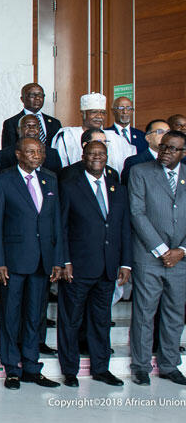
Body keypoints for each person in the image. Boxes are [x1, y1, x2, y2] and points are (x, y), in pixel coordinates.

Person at [57, 140, 131, 388]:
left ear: (107, 157)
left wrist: (126, 263)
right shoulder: (70, 186)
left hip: (108, 267)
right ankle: (70, 370)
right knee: (71, 320)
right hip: (77, 266)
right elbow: (61, 227)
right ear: (83, 156)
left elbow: (123, 228)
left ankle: (101, 368)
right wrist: (65, 260)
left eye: (101, 154)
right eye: (91, 154)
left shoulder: (117, 188)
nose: (96, 157)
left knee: (101, 320)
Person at [0, 137, 63, 390]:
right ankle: (12, 368)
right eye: (31, 152)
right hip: (13, 261)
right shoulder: (4, 180)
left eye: (40, 151)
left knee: (35, 316)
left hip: (43, 260)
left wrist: (58, 259)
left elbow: (56, 223)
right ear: (19, 154)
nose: (37, 156)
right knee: (11, 316)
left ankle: (32, 367)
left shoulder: (50, 179)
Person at [127, 130, 186, 386]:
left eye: (172, 148)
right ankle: (141, 366)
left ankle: (169, 365)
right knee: (144, 313)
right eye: (163, 147)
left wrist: (181, 250)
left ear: (183, 153)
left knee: (174, 314)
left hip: (181, 260)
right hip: (149, 256)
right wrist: (162, 250)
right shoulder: (140, 172)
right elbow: (137, 213)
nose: (166, 152)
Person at [52, 93, 134, 174]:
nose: (99, 116)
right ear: (83, 114)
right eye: (94, 112)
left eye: (103, 113)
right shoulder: (68, 136)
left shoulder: (116, 138)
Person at [0, 114, 64, 174]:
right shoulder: (4, 155)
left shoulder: (53, 154)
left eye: (35, 126)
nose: (32, 129)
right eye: (27, 126)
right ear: (18, 130)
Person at [1, 83, 61, 148]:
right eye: (32, 95)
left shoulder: (55, 123)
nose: (37, 98)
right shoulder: (11, 123)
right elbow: (8, 151)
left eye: (40, 95)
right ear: (22, 99)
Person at [122, 119, 169, 184]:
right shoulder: (134, 162)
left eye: (168, 132)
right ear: (148, 138)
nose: (165, 135)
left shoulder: (179, 160)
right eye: (160, 131)